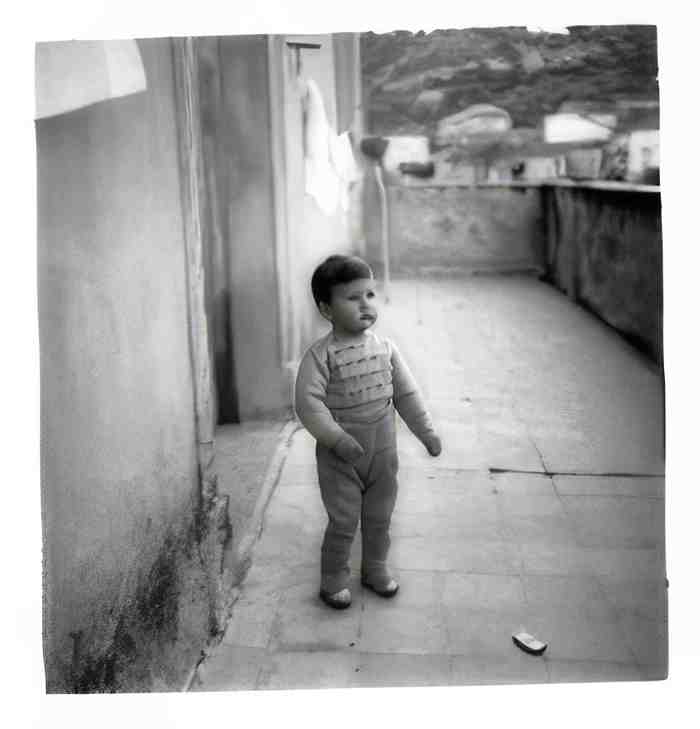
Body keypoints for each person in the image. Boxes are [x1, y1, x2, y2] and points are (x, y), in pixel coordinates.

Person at [294, 255, 442, 609]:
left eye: (370, 295)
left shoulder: (385, 349)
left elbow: (407, 395)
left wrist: (426, 433)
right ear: (326, 309)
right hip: (341, 456)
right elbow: (308, 404)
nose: (365, 304)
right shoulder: (321, 356)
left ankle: (375, 568)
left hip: (382, 452)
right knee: (344, 520)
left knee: (380, 517)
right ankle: (333, 578)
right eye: (352, 297)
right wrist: (336, 439)